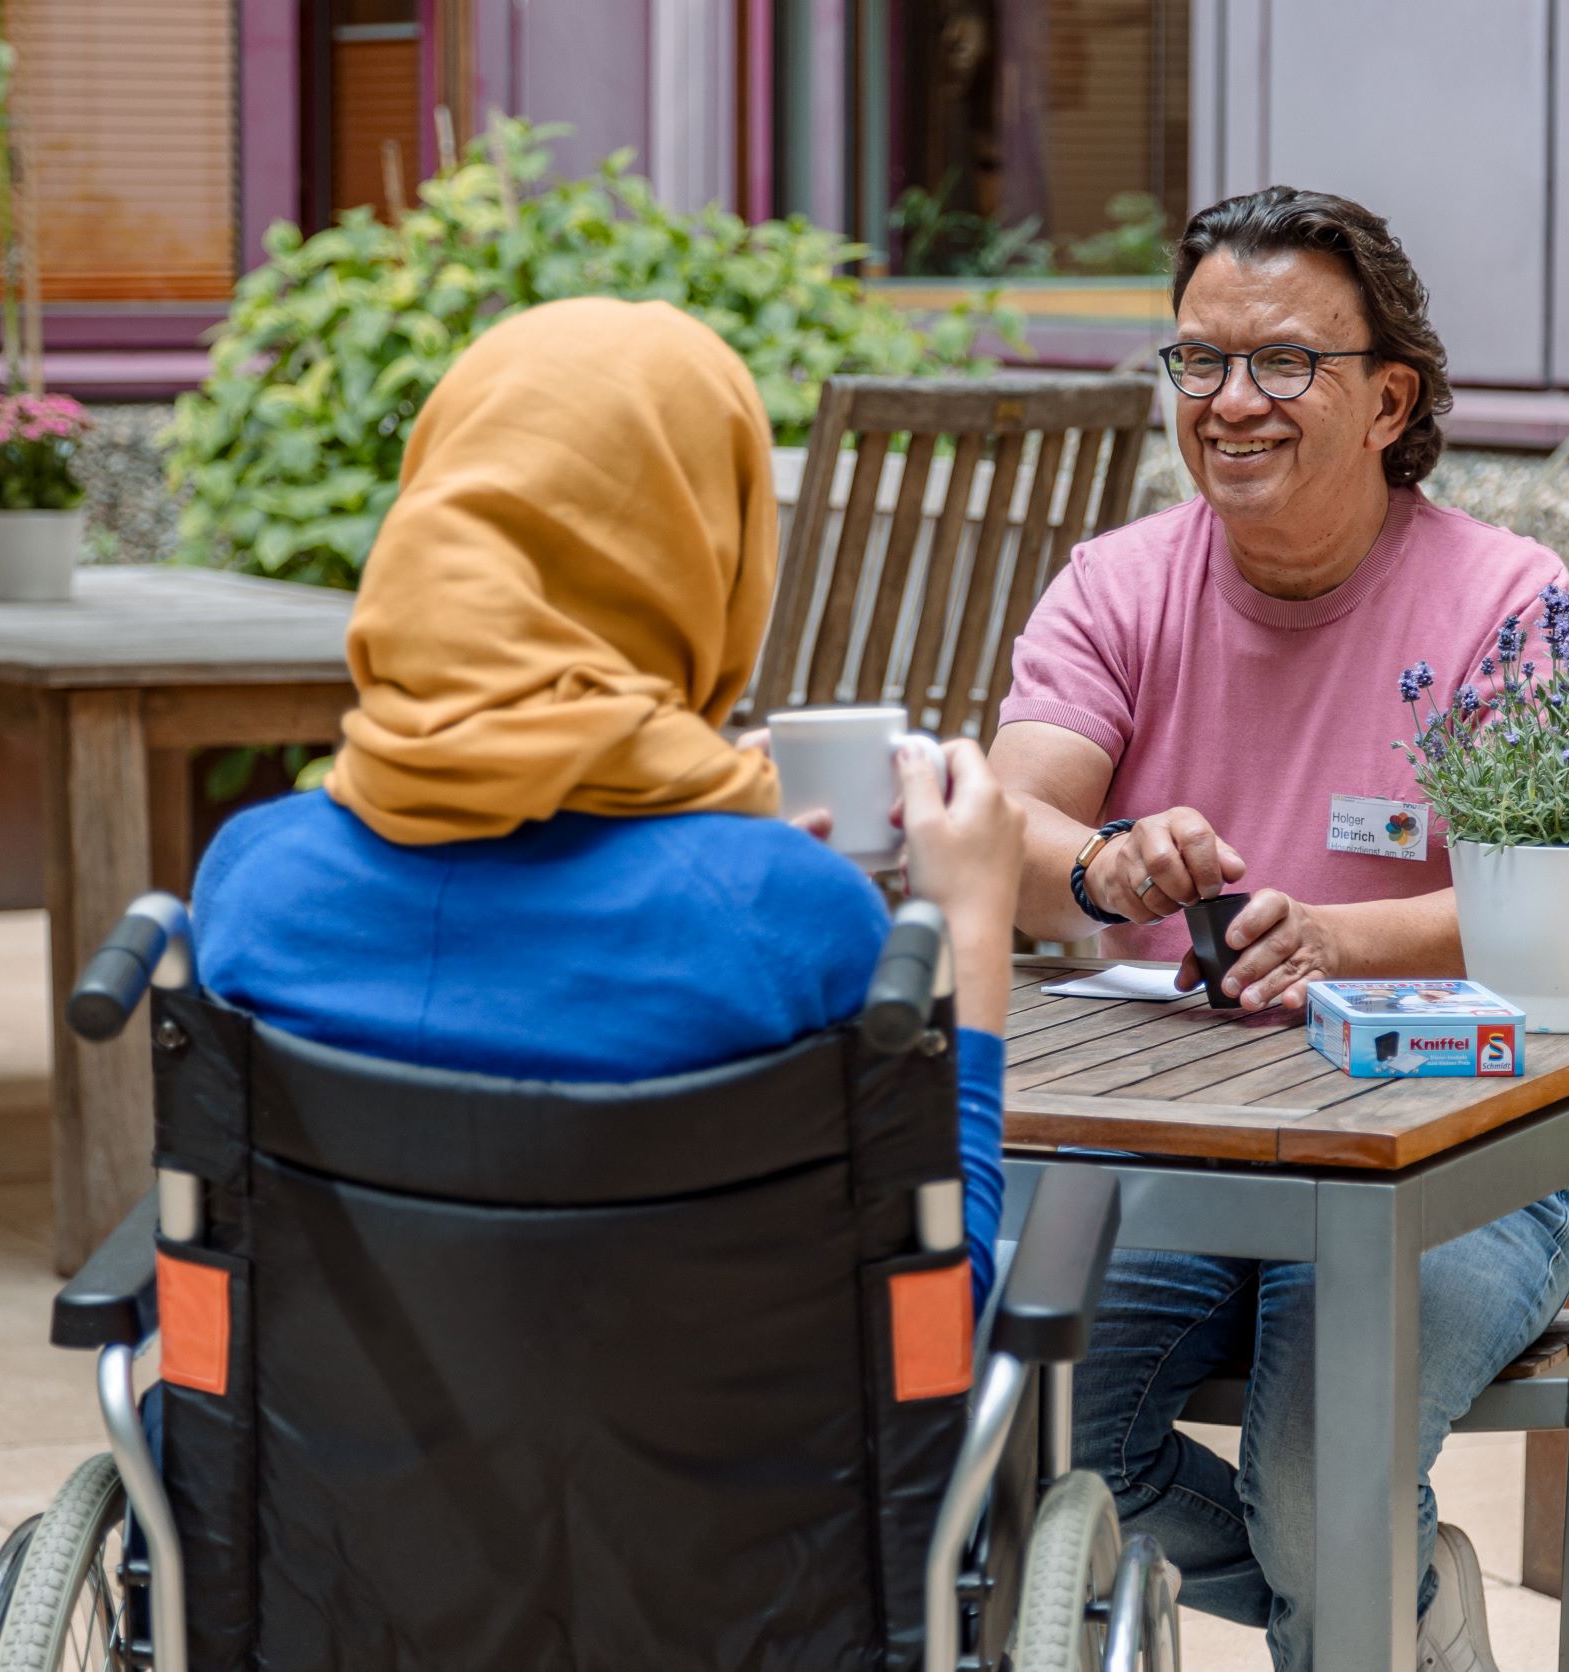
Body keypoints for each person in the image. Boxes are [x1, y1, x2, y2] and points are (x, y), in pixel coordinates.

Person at [988, 187, 1569, 1672]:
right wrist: (1106, 864)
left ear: (1390, 398)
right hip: (1176, 1147)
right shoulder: (1118, 585)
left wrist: (1334, 938)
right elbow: (1001, 832)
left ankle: (1361, 1585)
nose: (1231, 402)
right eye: (1199, 361)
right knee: (1024, 1444)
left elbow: (1552, 907)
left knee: (1322, 1496)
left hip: (1451, 1150)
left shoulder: (1513, 602)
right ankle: (1412, 1609)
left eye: (1283, 364)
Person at [191, 296, 1022, 1306]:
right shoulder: (788, 911)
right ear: (710, 549)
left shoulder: (252, 878)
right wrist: (969, 931)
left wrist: (694, 805)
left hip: (315, 1461)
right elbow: (939, 1309)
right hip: (721, 1466)